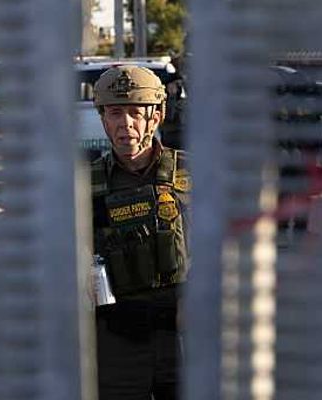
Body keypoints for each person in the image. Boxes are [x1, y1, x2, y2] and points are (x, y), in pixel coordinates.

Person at [89, 65, 188, 400]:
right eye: (115, 113)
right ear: (103, 119)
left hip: (182, 335)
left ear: (156, 117)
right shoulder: (85, 185)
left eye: (135, 113)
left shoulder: (193, 175)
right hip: (116, 339)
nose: (125, 124)